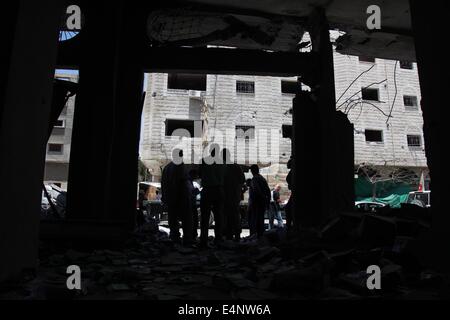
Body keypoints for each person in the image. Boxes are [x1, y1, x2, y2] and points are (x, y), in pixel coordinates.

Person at [161, 148, 193, 245]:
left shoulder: (167, 168)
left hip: (170, 198)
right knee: (186, 219)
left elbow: (163, 184)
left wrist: (165, 197)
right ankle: (187, 239)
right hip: (181, 198)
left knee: (173, 219)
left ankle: (175, 238)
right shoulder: (180, 166)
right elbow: (184, 182)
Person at [199, 144, 226, 247]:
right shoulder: (223, 163)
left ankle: (203, 240)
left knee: (205, 217)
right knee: (219, 216)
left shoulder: (204, 161)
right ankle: (218, 239)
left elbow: (200, 174)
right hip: (219, 190)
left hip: (207, 190)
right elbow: (224, 176)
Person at [222, 148, 245, 242]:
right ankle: (237, 235)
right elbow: (242, 179)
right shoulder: (236, 167)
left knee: (225, 216)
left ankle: (228, 235)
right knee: (235, 215)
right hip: (235, 195)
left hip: (225, 196)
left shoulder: (221, 167)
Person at [248, 164, 271, 239]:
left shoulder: (254, 179)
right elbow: (268, 190)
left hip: (256, 203)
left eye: (251, 170)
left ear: (252, 171)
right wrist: (267, 201)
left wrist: (253, 203)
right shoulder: (262, 178)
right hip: (262, 202)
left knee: (254, 220)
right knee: (261, 219)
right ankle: (261, 236)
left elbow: (257, 191)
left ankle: (255, 236)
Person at [187, 169, 201, 240]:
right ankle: (193, 235)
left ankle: (193, 235)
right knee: (194, 220)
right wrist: (197, 191)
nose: (196, 177)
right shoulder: (188, 182)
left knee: (193, 220)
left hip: (191, 203)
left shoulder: (190, 182)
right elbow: (190, 193)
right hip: (190, 204)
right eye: (196, 176)